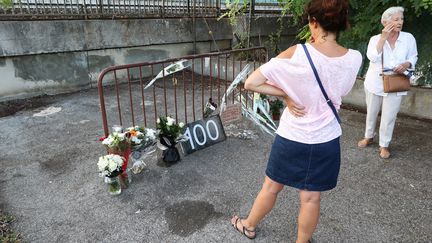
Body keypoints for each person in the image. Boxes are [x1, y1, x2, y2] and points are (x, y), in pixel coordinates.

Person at [230, 0, 362, 242]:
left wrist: (286, 94)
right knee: (311, 198)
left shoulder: (297, 53)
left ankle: (248, 225)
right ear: (341, 23)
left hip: (293, 136)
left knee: (271, 187)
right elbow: (340, 90)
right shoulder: (354, 58)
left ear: (313, 22)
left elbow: (251, 83)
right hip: (326, 139)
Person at [357, 6, 418, 159]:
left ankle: (384, 144)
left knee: (389, 116)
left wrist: (406, 64)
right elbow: (372, 57)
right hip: (375, 82)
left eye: (401, 19)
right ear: (385, 21)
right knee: (371, 112)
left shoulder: (408, 38)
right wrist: (383, 38)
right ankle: (368, 136)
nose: (400, 22)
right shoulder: (375, 39)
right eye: (396, 19)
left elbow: (414, 56)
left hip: (396, 81)